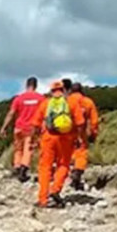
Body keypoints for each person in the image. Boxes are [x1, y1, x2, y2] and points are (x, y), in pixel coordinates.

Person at [34, 80, 86, 208]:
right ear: (64, 90)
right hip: (66, 139)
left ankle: (43, 199)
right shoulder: (72, 103)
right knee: (63, 164)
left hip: (48, 138)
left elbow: (35, 124)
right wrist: (79, 137)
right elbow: (80, 123)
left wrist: (37, 137)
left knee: (45, 167)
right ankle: (55, 189)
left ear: (51, 91)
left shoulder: (45, 103)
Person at [0, 77, 45, 183]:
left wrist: (4, 127)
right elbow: (45, 115)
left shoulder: (19, 98)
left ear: (26, 85)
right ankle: (23, 170)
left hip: (18, 128)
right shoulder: (41, 99)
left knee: (18, 149)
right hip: (31, 128)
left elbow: (11, 113)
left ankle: (17, 166)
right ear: (36, 85)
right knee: (28, 149)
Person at [69, 83, 101, 190]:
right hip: (81, 133)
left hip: (65, 132)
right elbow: (94, 121)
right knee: (81, 153)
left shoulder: (66, 101)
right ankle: (77, 171)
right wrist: (93, 133)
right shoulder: (88, 102)